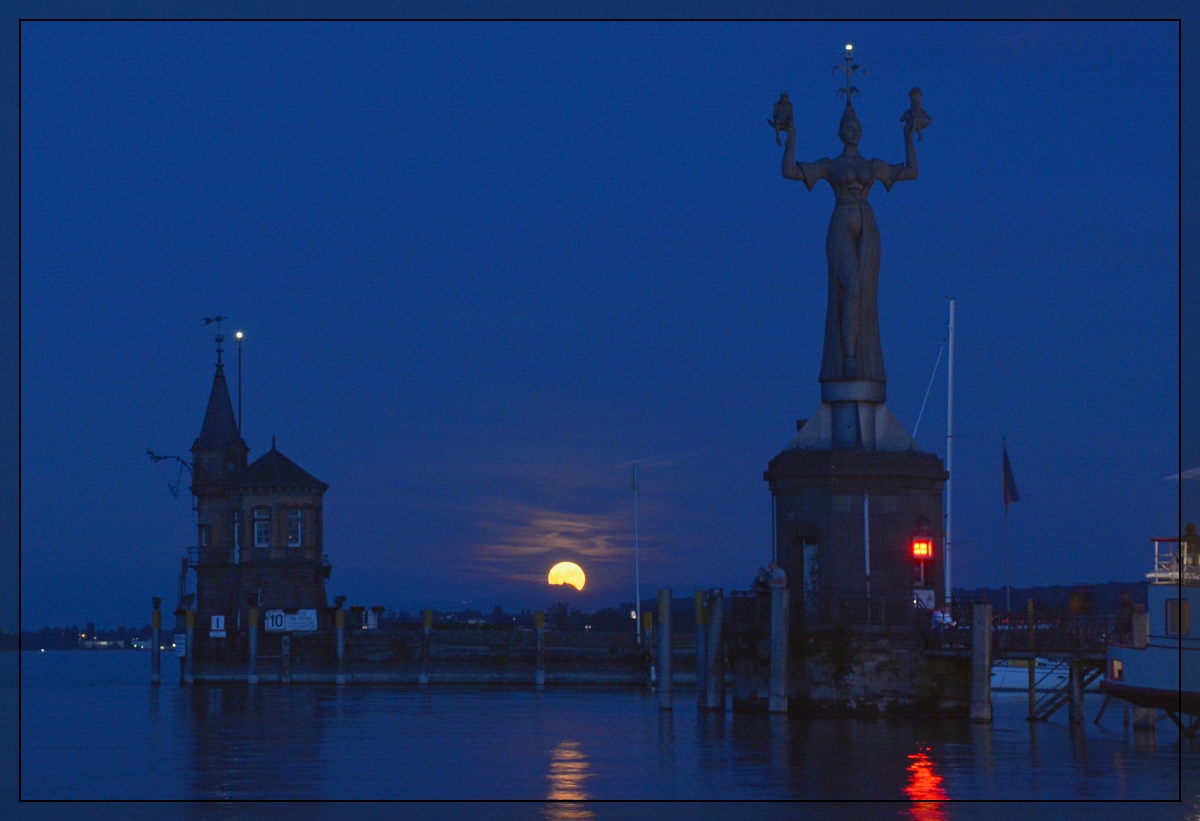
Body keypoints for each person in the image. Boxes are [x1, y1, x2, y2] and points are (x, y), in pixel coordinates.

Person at [776, 94, 920, 384]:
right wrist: (791, 135)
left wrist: (908, 136)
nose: (853, 130)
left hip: (867, 223)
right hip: (841, 220)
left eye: (857, 126)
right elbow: (789, 171)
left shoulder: (873, 165)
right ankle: (848, 357)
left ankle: (862, 357)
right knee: (850, 289)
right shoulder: (831, 166)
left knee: (865, 292)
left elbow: (911, 171)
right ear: (840, 132)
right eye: (848, 126)